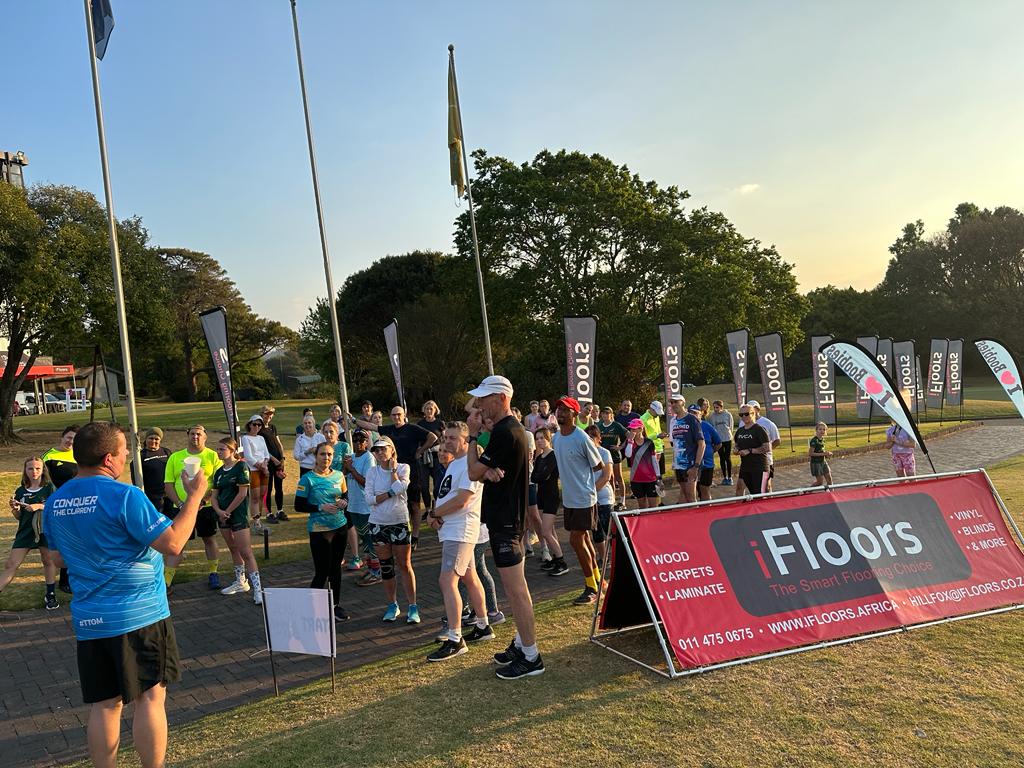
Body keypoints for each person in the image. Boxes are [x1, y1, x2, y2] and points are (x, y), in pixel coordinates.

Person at [42, 421, 207, 768]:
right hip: (140, 614)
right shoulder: (125, 495)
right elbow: (173, 543)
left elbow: (57, 558)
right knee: (150, 697)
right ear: (108, 458)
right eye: (124, 452)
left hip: (91, 619)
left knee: (105, 704)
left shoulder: (55, 502)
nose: (127, 457)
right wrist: (194, 497)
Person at [465, 374, 544, 679]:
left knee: (516, 591)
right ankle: (523, 644)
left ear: (501, 398)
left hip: (507, 521)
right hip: (509, 519)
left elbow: (472, 471)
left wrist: (473, 437)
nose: (479, 405)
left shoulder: (505, 431)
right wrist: (487, 471)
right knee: (516, 589)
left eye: (485, 398)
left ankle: (532, 656)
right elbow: (486, 471)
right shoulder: (510, 429)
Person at [426, 421, 496, 661]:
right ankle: (483, 625)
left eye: (453, 438)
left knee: (447, 580)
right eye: (445, 438)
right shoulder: (455, 463)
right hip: (453, 529)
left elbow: (463, 500)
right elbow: (449, 496)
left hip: (461, 531)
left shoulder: (468, 464)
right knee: (470, 577)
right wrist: (437, 516)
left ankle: (455, 639)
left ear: (466, 441)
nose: (447, 442)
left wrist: (435, 513)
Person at [551, 397, 606, 606]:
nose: (560, 413)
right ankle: (598, 581)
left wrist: (582, 478)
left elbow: (598, 465)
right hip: (569, 499)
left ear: (574, 414)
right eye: (558, 409)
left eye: (565, 410)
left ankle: (591, 587)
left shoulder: (581, 437)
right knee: (584, 541)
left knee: (576, 540)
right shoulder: (556, 438)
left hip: (584, 498)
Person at [295, 442, 352, 621]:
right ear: (316, 456)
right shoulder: (307, 479)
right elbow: (298, 505)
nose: (326, 458)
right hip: (319, 531)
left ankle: (335, 606)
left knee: (335, 569)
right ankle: (312, 609)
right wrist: (320, 507)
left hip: (340, 528)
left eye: (329, 454)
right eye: (322, 454)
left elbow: (345, 496)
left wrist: (344, 502)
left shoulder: (339, 475)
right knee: (322, 572)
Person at [364, 436, 419, 623]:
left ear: (391, 450)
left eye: (383, 449)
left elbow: (401, 488)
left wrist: (393, 471)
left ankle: (413, 606)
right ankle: (392, 605)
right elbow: (369, 499)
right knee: (386, 567)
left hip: (399, 522)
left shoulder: (403, 468)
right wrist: (389, 493)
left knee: (404, 565)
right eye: (376, 450)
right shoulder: (372, 472)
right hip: (378, 524)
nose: (380, 452)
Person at [163, 425, 222, 590]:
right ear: (188, 436)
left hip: (205, 507)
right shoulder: (175, 457)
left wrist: (202, 501)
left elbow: (218, 483)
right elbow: (168, 484)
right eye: (192, 434)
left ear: (205, 437)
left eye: (199, 434)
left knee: (209, 539)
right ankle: (167, 581)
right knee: (177, 543)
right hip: (181, 508)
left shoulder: (212, 456)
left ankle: (213, 573)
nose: (195, 436)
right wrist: (181, 503)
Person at [0, 457, 58, 609]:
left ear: (43, 470)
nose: (34, 472)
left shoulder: (49, 488)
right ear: (25, 470)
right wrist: (15, 510)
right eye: (30, 468)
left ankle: (50, 594)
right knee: (11, 564)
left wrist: (39, 506)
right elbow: (20, 517)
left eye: (38, 468)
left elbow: (55, 508)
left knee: (48, 561)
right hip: (25, 531)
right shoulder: (20, 491)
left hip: (45, 530)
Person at [374, 406, 437, 546]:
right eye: (394, 415)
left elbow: (433, 437)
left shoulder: (412, 428)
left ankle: (415, 535)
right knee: (397, 502)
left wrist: (421, 450)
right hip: (393, 470)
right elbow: (372, 427)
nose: (396, 417)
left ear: (404, 415)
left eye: (399, 414)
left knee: (414, 504)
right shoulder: (389, 429)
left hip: (412, 469)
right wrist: (353, 420)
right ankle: (403, 533)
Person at [211, 437, 263, 604]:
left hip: (238, 515)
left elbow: (242, 494)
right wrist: (219, 511)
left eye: (222, 449)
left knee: (246, 552)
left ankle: (258, 590)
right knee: (233, 548)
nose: (219, 452)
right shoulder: (219, 472)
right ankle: (241, 582)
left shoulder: (241, 466)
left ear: (232, 451)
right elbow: (214, 496)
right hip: (223, 516)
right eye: (218, 449)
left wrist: (227, 511)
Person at [344, 430, 383, 586]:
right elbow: (344, 475)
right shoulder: (351, 457)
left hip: (365, 505)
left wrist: (352, 469)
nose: (358, 443)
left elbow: (367, 482)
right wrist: (346, 466)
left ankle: (377, 571)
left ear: (367, 442)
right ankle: (371, 567)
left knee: (370, 538)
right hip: (353, 504)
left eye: (362, 440)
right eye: (355, 440)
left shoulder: (369, 458)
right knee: (364, 539)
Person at [43, 425, 78, 594]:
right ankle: (63, 581)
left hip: (77, 505)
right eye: (69, 437)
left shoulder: (79, 456)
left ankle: (69, 578)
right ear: (62, 437)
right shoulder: (49, 456)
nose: (70, 442)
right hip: (57, 507)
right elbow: (42, 481)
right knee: (63, 543)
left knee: (75, 542)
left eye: (75, 439)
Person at [532, 427, 568, 576]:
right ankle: (555, 558)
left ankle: (562, 562)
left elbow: (544, 476)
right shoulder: (540, 458)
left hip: (551, 496)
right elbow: (534, 477)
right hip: (541, 495)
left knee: (546, 532)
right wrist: (539, 475)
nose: (539, 441)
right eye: (537, 438)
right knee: (549, 530)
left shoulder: (553, 456)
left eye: (542, 438)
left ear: (548, 439)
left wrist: (539, 475)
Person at [585, 425, 615, 567]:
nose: (590, 439)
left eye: (593, 436)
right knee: (596, 531)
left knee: (609, 530)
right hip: (590, 498)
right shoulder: (584, 454)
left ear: (599, 438)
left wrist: (592, 492)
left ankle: (617, 557)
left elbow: (606, 476)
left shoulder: (604, 453)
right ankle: (604, 559)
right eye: (588, 437)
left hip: (603, 497)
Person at [668, 395, 704, 504]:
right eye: (671, 402)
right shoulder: (673, 421)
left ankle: (698, 516)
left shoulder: (692, 419)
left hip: (691, 464)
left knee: (691, 498)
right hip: (678, 465)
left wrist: (696, 466)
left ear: (683, 403)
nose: (673, 404)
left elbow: (702, 444)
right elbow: (674, 443)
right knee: (685, 497)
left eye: (676, 402)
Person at [240, 415, 272, 525]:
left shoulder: (261, 438)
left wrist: (265, 465)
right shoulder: (245, 438)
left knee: (262, 496)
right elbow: (248, 457)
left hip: (263, 469)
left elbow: (266, 454)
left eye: (259, 425)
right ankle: (256, 521)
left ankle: (259, 519)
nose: (257, 427)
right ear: (250, 425)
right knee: (255, 497)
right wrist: (262, 467)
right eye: (255, 424)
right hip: (254, 469)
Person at [733, 406, 771, 496]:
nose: (743, 417)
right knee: (739, 488)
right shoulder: (740, 431)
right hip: (745, 466)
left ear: (753, 414)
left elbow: (767, 447)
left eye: (746, 414)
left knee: (759, 494)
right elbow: (737, 445)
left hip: (760, 467)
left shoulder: (759, 429)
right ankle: (740, 505)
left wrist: (750, 450)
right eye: (741, 415)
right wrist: (736, 450)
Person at [259, 406, 288, 523]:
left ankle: (280, 510)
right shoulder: (259, 429)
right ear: (262, 414)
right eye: (267, 414)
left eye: (271, 414)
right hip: (268, 463)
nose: (269, 416)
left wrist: (282, 458)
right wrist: (274, 459)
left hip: (279, 462)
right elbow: (263, 448)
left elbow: (279, 443)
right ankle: (269, 513)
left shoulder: (272, 427)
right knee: (268, 488)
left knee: (279, 487)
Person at [134, 427, 173, 515]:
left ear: (160, 440)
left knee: (172, 519)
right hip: (152, 498)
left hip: (169, 495)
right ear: (146, 439)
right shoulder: (140, 456)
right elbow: (136, 480)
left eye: (156, 439)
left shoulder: (166, 452)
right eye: (151, 438)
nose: (153, 441)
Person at [624, 418, 660, 509]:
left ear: (641, 429)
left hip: (650, 479)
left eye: (634, 429)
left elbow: (654, 461)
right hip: (636, 479)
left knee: (654, 507)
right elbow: (628, 455)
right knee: (642, 507)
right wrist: (630, 441)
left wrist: (658, 477)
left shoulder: (649, 442)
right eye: (630, 429)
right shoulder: (630, 442)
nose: (631, 431)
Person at [293, 415, 326, 513]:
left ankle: (322, 510)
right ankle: (311, 513)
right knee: (306, 493)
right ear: (303, 425)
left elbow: (326, 451)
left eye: (309, 423)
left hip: (319, 469)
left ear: (313, 424)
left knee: (320, 491)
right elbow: (296, 456)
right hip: (305, 469)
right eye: (305, 423)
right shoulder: (299, 439)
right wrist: (308, 451)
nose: (307, 425)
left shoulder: (321, 437)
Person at [597, 406, 628, 510]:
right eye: (603, 413)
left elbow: (629, 435)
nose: (605, 415)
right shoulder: (599, 426)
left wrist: (621, 446)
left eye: (607, 413)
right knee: (610, 479)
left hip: (614, 455)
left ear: (611, 415)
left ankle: (622, 501)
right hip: (603, 457)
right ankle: (612, 500)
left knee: (619, 477)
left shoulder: (616, 425)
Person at [747, 400, 781, 492]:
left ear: (758, 410)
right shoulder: (744, 422)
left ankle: (769, 499)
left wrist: (766, 450)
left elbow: (777, 440)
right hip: (749, 460)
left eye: (752, 409)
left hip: (765, 460)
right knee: (747, 485)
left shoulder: (768, 423)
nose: (749, 411)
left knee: (766, 486)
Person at [693, 403, 721, 502]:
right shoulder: (686, 427)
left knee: (704, 489)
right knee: (693, 490)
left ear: (700, 414)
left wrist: (709, 452)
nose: (693, 415)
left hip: (707, 464)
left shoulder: (707, 426)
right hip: (691, 465)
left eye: (695, 413)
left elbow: (718, 443)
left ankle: (707, 509)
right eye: (690, 413)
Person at [708, 400, 734, 486]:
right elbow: (712, 428)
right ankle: (725, 477)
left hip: (727, 438)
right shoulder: (712, 416)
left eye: (717, 407)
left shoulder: (728, 414)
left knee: (727, 457)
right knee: (722, 458)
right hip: (718, 440)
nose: (715, 409)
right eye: (714, 407)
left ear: (721, 407)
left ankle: (730, 477)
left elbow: (731, 426)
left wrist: (728, 433)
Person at [640, 401, 667, 479]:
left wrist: (661, 440)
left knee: (660, 471)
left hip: (659, 447)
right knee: (652, 472)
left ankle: (659, 484)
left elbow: (658, 430)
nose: (658, 415)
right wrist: (657, 436)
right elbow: (643, 437)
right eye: (657, 412)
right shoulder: (642, 419)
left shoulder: (656, 417)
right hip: (650, 448)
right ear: (651, 409)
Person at [809, 422, 834, 486]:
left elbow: (821, 451)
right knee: (819, 482)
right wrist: (823, 454)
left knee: (829, 479)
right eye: (820, 429)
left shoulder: (823, 440)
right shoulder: (814, 441)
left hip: (823, 462)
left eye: (824, 429)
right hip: (816, 463)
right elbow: (811, 453)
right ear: (816, 430)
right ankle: (808, 490)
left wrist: (827, 455)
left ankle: (831, 492)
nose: (822, 431)